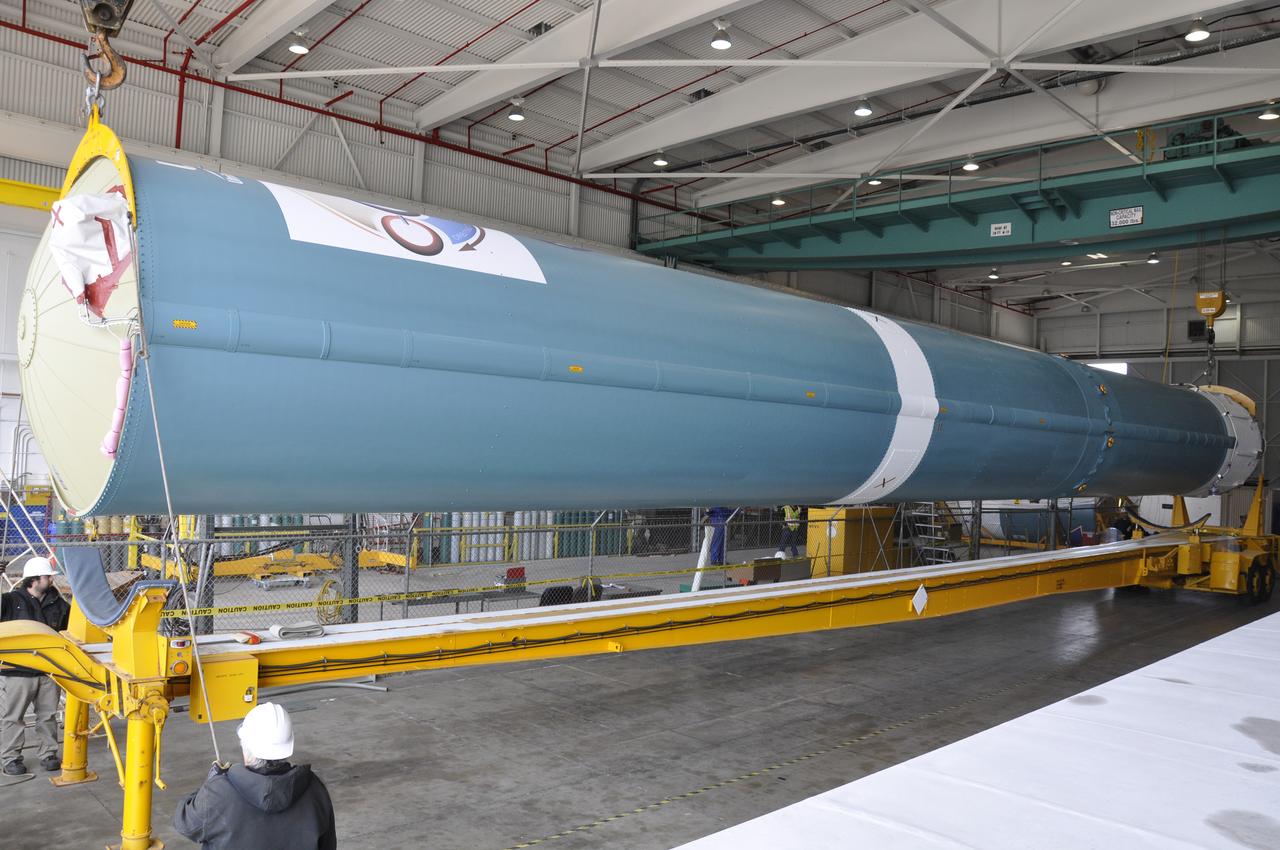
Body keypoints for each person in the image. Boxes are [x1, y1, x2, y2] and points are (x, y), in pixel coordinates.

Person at [174, 701, 336, 850]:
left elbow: (184, 823)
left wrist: (210, 783)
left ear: (245, 747)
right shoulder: (315, 790)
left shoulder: (218, 793)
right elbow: (328, 846)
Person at [1, 556, 70, 776]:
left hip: (48, 671)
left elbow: (69, 631)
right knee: (13, 716)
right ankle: (11, 758)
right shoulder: (11, 601)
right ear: (34, 579)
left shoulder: (58, 604)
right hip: (17, 670)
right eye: (47, 576)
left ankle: (48, 753)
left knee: (47, 715)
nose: (51, 579)